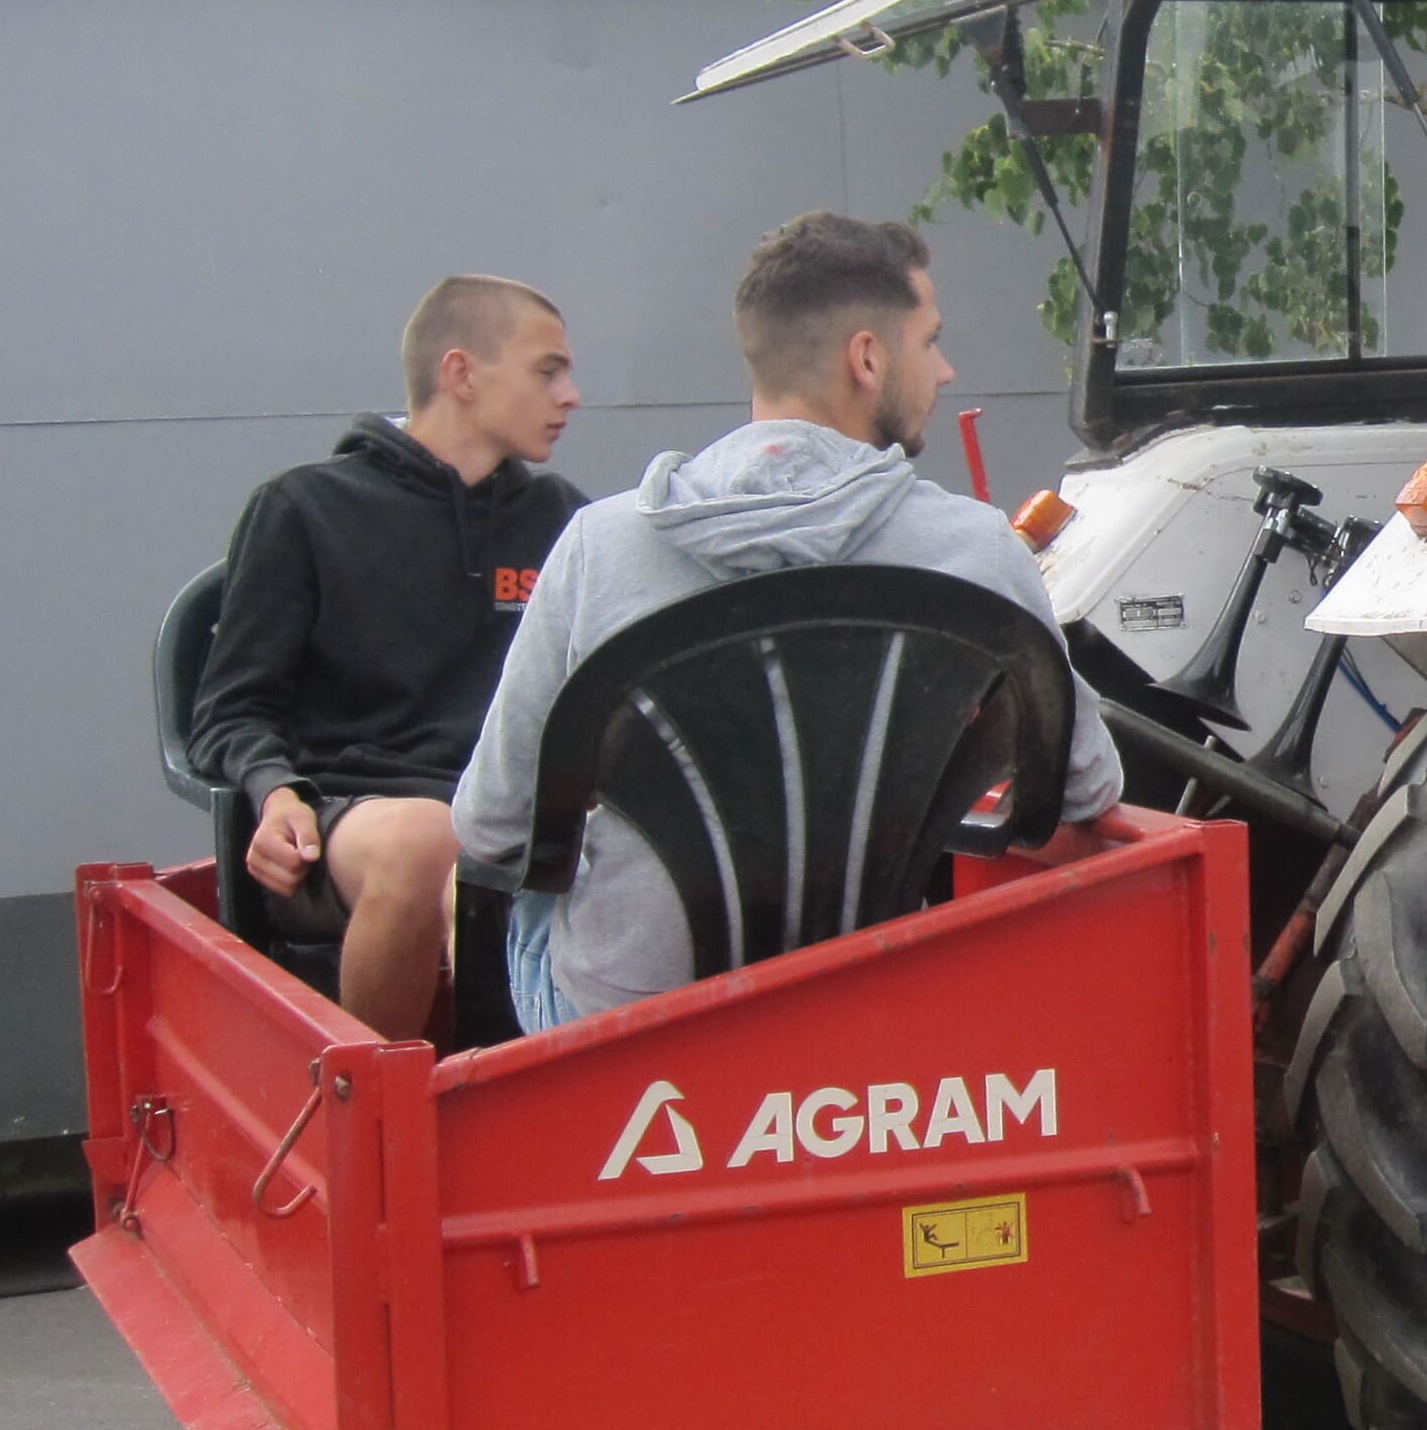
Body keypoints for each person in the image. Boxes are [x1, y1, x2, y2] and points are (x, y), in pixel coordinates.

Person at [452, 212, 1122, 1033]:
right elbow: (1089, 785)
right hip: (862, 1015)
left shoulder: (600, 547)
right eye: (930, 341)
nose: (945, 370)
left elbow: (490, 825)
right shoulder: (975, 551)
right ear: (867, 359)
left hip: (632, 1036)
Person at [191, 277, 587, 1034]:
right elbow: (229, 710)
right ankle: (378, 1097)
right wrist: (277, 793)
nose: (571, 395)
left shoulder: (567, 520)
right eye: (548, 371)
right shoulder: (302, 509)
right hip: (348, 820)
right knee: (431, 841)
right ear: (461, 373)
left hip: (512, 817)